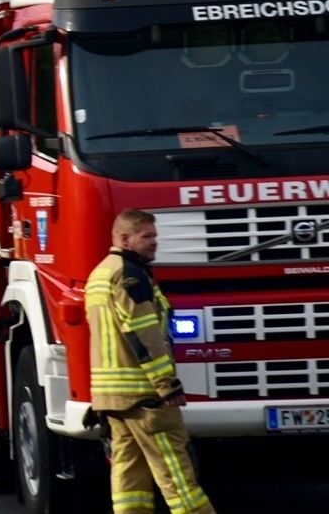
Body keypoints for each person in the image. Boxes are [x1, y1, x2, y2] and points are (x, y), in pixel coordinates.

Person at [85, 209, 215, 514]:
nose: (154, 242)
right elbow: (144, 336)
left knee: (130, 480)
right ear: (124, 239)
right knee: (177, 478)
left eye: (155, 236)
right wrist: (167, 385)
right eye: (147, 236)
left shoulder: (100, 273)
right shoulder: (131, 275)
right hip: (147, 398)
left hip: (113, 398)